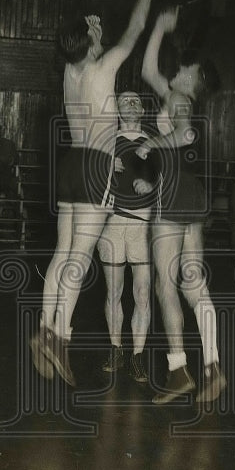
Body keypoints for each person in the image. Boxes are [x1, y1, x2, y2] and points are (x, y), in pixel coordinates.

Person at [29, 0, 161, 386]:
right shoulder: (104, 67)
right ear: (89, 44)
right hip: (96, 166)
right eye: (93, 37)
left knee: (61, 252)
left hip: (70, 163)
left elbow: (90, 54)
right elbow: (136, 29)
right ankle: (60, 339)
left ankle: (45, 326)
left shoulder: (71, 71)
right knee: (79, 259)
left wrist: (93, 35)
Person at [136, 6, 226, 404]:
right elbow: (147, 71)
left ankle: (178, 371)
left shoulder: (177, 99)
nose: (179, 67)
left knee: (165, 285)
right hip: (192, 193)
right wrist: (158, 28)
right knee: (194, 282)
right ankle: (213, 366)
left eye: (186, 66)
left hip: (172, 193)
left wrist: (152, 143)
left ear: (194, 77)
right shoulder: (178, 95)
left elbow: (186, 135)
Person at [97, 91, 157, 383]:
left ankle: (137, 355)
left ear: (143, 110)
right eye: (125, 101)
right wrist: (103, 167)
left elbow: (170, 180)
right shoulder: (104, 141)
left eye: (136, 101)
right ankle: (116, 348)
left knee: (142, 293)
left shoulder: (156, 142)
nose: (131, 104)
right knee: (114, 291)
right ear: (117, 109)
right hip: (112, 223)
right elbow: (87, 181)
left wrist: (153, 186)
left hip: (143, 226)